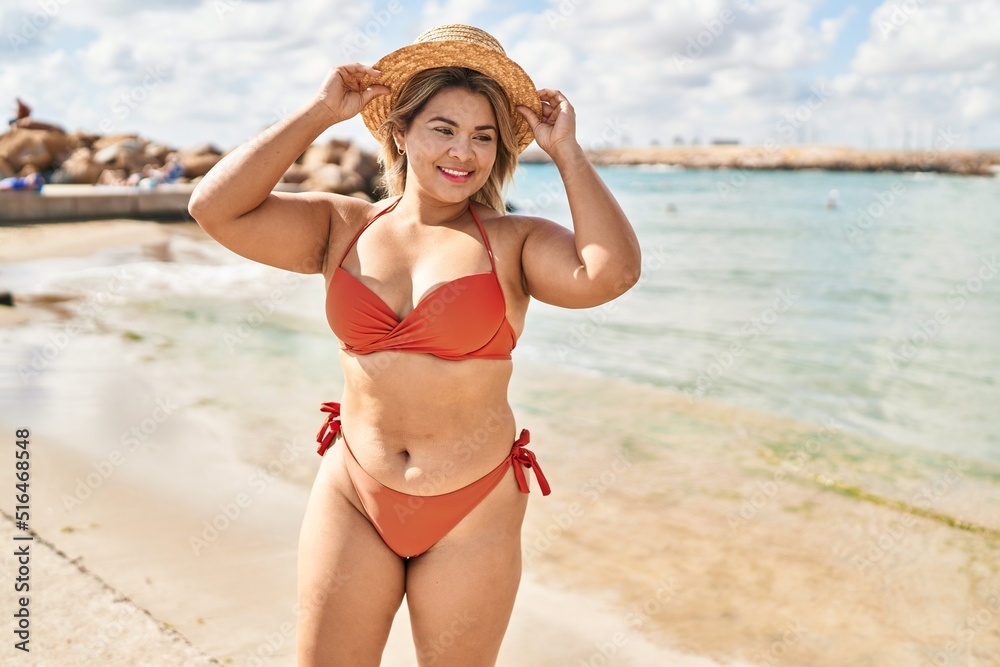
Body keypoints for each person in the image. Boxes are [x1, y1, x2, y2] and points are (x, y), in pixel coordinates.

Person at [189, 24, 641, 666]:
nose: (464, 152)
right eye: (444, 128)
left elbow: (610, 273)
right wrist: (320, 112)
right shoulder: (340, 226)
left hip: (473, 509)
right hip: (354, 491)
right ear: (400, 133)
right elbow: (214, 208)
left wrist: (568, 153)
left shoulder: (514, 242)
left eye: (484, 137)